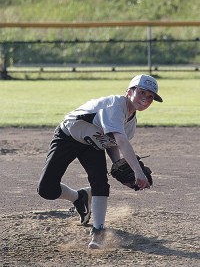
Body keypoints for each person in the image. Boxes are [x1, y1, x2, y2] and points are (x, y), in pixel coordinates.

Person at [37, 74, 163, 249]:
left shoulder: (130, 123)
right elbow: (121, 140)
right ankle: (79, 197)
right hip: (68, 136)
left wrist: (117, 164)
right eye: (142, 92)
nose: (146, 99)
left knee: (100, 183)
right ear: (129, 92)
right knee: (46, 189)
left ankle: (98, 230)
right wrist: (138, 171)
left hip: (92, 145)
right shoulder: (115, 106)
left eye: (150, 97)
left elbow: (111, 141)